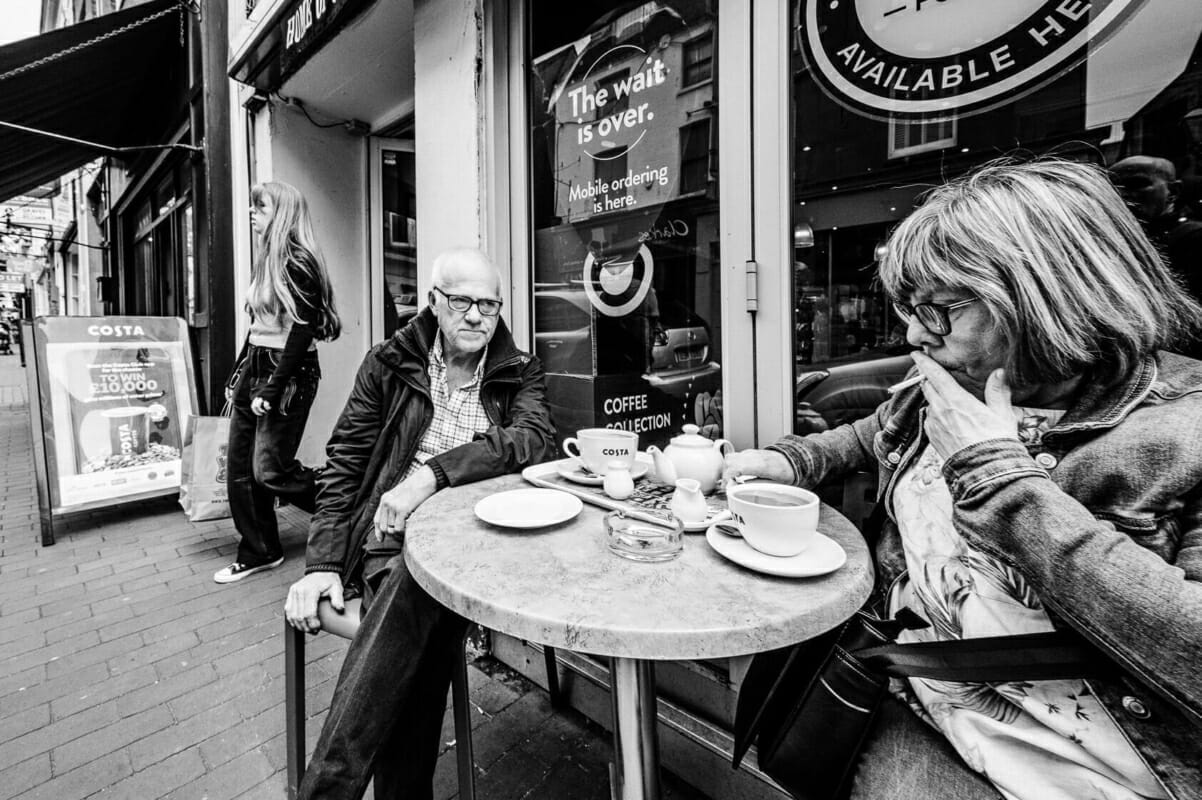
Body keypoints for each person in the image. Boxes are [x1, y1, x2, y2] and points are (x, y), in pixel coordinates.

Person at [724, 160, 1202, 800]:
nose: (916, 333)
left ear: (1047, 296)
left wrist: (996, 474)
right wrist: (793, 461)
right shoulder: (943, 383)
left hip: (1084, 767)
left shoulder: (1184, 430)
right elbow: (871, 432)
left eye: (942, 309)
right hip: (911, 702)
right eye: (909, 309)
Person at [283, 248, 556, 799]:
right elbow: (344, 465)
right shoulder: (388, 363)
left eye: (489, 304)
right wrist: (324, 564)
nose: (477, 316)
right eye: (462, 302)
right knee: (417, 616)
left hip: (476, 546)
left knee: (414, 593)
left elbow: (532, 439)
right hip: (389, 538)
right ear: (434, 301)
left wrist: (431, 476)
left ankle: (326, 789)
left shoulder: (517, 370)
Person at [214, 181, 341, 584]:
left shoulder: (298, 262)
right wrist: (239, 375)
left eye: (260, 207)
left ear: (282, 213)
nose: (252, 213)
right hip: (257, 363)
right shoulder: (266, 259)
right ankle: (258, 550)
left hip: (287, 372)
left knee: (269, 470)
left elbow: (302, 331)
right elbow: (257, 327)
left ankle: (343, 498)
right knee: (239, 467)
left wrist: (272, 387)